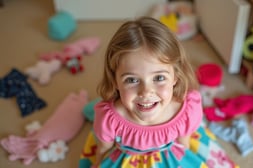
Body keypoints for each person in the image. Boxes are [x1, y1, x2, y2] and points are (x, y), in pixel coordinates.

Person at [79, 17, 236, 168]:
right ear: (115, 81)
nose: (146, 92)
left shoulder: (186, 109)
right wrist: (97, 163)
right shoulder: (110, 118)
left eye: (159, 77)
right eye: (132, 80)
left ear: (175, 76)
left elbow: (184, 144)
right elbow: (103, 149)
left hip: (170, 156)